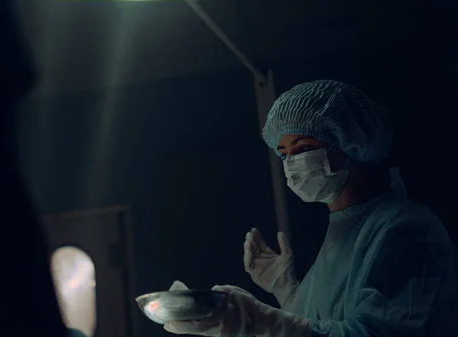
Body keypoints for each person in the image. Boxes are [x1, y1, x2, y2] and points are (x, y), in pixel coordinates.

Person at [163, 80, 458, 337]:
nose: (292, 164)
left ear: (352, 143)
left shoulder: (407, 231)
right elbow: (323, 324)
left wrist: (259, 322)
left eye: (303, 149)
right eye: (284, 154)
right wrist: (287, 291)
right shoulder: (344, 232)